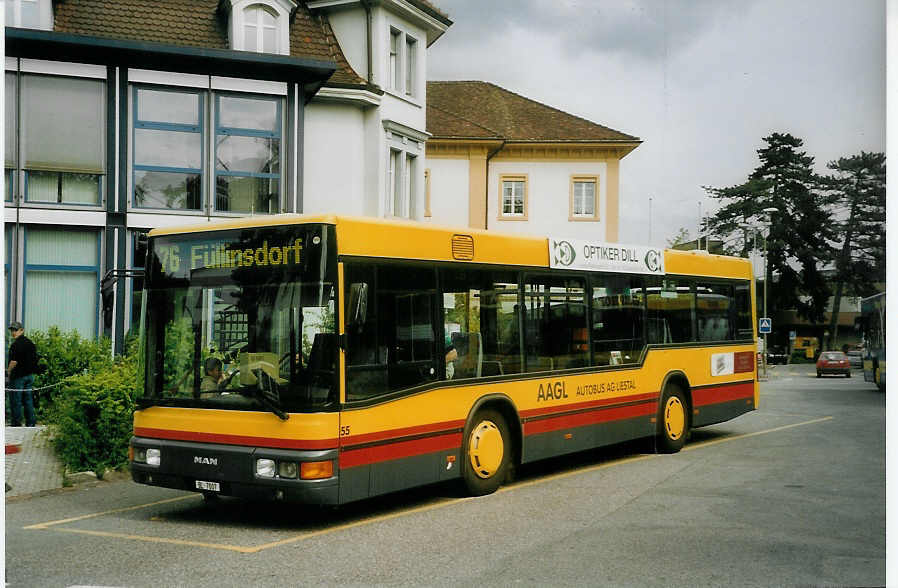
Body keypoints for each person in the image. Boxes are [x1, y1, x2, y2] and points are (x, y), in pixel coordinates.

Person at [6, 321, 37, 427]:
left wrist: (8, 371)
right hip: (29, 376)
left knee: (16, 400)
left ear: (22, 330)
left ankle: (16, 422)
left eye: (15, 330)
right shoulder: (30, 343)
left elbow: (14, 361)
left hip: (18, 376)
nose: (13, 332)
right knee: (28, 399)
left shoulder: (15, 345)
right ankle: (31, 422)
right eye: (12, 330)